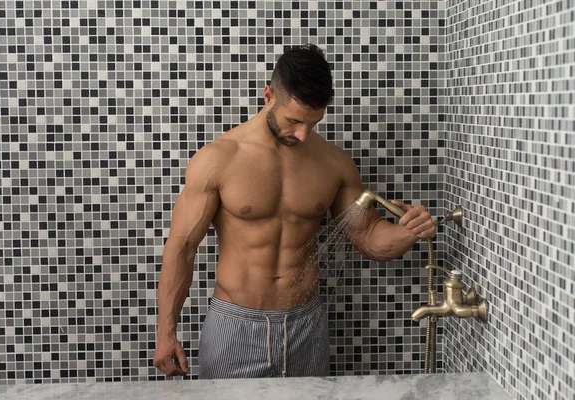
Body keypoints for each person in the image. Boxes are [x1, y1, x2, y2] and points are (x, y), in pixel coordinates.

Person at [153, 44, 436, 379]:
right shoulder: (218, 159)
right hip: (235, 325)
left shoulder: (334, 164)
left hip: (306, 325)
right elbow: (181, 248)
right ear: (269, 95)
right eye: (294, 121)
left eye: (313, 123)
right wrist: (165, 331)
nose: (303, 134)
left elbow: (367, 235)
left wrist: (408, 231)